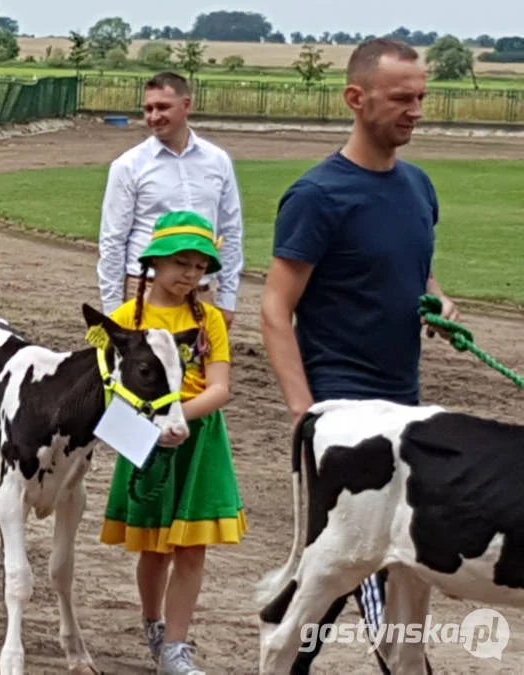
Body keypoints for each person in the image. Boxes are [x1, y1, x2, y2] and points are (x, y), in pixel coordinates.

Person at [260, 37, 460, 673]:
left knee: (344, 578)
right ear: (356, 98)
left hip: (404, 414)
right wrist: (303, 412)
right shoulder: (318, 196)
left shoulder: (419, 188)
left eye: (421, 97)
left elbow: (414, 271)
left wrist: (437, 301)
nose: (416, 110)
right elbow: (275, 309)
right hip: (343, 419)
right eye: (402, 98)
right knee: (375, 570)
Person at [101, 210, 245, 675]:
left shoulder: (210, 322)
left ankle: (177, 648)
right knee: (154, 546)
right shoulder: (125, 319)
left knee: (191, 547)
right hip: (144, 436)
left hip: (197, 438)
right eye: (182, 262)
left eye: (201, 267)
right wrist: (148, 426)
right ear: (154, 264)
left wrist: (177, 417)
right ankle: (153, 623)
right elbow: (105, 385)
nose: (191, 274)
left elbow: (219, 387)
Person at [97, 71, 244, 328]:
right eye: (148, 109)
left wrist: (228, 300)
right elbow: (112, 241)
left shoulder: (217, 161)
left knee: (202, 367)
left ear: (187, 105)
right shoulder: (128, 166)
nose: (154, 117)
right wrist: (112, 312)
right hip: (145, 290)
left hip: (200, 290)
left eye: (163, 107)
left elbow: (230, 231)